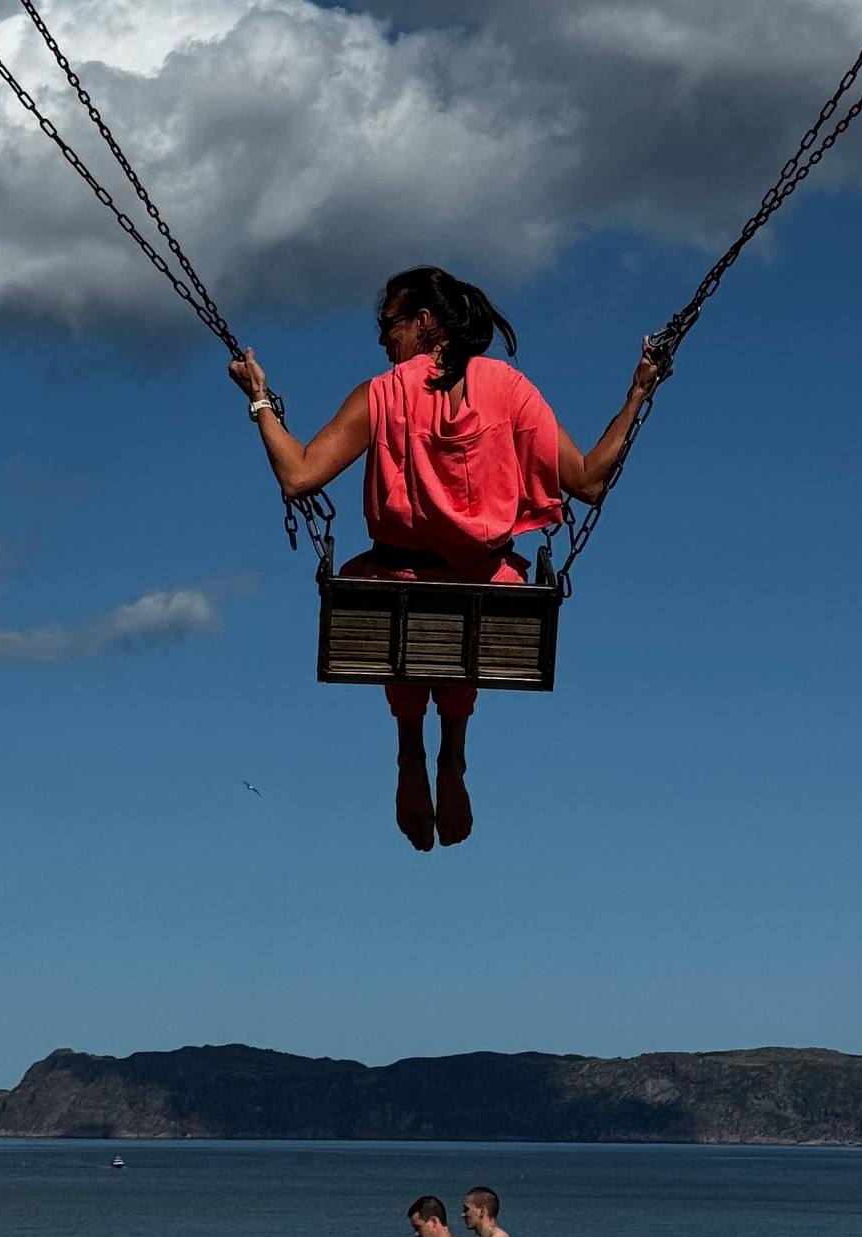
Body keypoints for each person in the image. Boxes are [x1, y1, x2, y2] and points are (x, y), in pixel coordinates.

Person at [231, 264, 658, 850]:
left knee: (395, 606)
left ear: (424, 321)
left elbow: (299, 476)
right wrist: (639, 393)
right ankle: (452, 758)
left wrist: (259, 400)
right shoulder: (509, 390)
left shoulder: (382, 394)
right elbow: (587, 479)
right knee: (470, 614)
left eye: (389, 324)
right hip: (486, 588)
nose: (382, 340)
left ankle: (410, 754)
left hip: (395, 582)